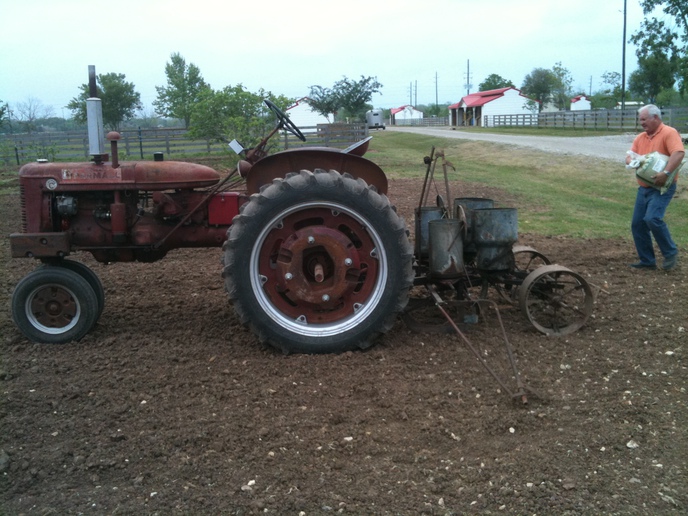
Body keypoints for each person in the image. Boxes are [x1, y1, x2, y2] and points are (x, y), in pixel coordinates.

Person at [625, 104, 685, 271]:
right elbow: (629, 155)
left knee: (652, 219)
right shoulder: (641, 138)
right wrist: (631, 162)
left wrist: (666, 172)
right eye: (640, 120)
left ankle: (670, 252)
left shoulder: (669, 133)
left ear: (656, 118)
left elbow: (679, 153)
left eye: (644, 119)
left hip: (662, 188)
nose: (641, 123)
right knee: (637, 224)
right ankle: (647, 261)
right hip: (644, 188)